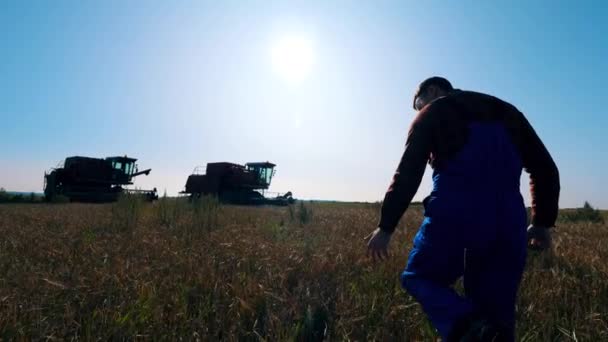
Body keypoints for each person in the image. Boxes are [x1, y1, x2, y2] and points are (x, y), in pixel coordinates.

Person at [366, 77, 560, 341]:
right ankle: (485, 330)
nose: (418, 110)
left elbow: (408, 173)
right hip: (508, 223)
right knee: (498, 318)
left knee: (419, 277)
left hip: (456, 215)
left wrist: (386, 227)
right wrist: (541, 223)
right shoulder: (508, 112)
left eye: (417, 104)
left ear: (432, 91)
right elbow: (545, 167)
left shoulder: (433, 112)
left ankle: (470, 325)